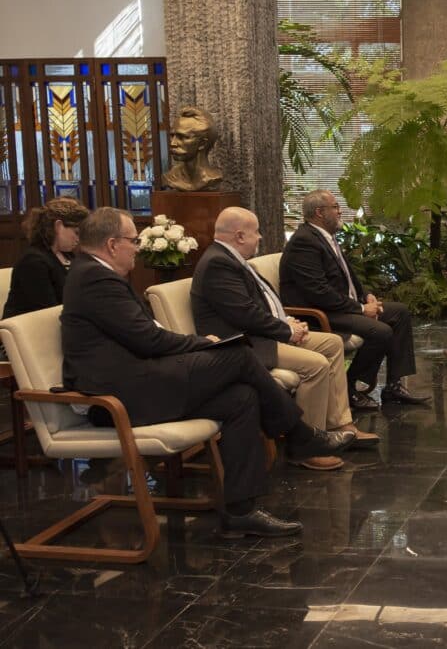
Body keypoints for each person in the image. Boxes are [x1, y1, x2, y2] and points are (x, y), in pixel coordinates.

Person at [61, 207, 350, 538]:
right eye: (133, 241)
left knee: (242, 398)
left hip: (141, 381)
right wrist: (200, 344)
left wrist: (200, 345)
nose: (138, 248)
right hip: (120, 396)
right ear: (112, 245)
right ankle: (300, 434)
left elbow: (142, 336)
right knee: (238, 355)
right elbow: (147, 338)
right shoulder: (95, 278)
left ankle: (241, 511)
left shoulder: (95, 274)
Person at [191, 207, 377, 471]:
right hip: (245, 344)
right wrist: (286, 330)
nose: (260, 237)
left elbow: (258, 305)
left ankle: (337, 424)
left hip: (263, 334)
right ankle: (306, 447)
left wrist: (286, 322)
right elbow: (244, 315)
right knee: (316, 364)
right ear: (240, 235)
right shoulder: (217, 263)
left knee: (332, 343)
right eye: (256, 232)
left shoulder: (232, 258)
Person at [279, 190, 430, 408]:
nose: (340, 210)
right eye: (335, 206)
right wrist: (360, 309)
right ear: (320, 212)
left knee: (399, 312)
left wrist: (366, 295)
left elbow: (348, 276)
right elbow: (318, 292)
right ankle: (348, 388)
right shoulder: (304, 242)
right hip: (319, 313)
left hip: (340, 307)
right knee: (380, 331)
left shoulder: (325, 237)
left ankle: (393, 386)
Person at [3, 197, 89, 318]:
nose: (78, 239)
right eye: (76, 232)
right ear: (58, 226)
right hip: (33, 330)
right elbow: (47, 311)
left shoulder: (68, 255)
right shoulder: (33, 261)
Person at [162, 107, 223, 191]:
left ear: (202, 143)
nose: (173, 143)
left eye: (182, 137)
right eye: (172, 136)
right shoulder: (171, 177)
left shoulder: (212, 179)